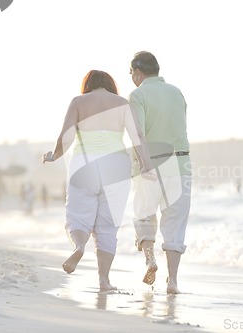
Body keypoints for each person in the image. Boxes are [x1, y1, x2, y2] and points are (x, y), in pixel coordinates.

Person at [43, 70, 155, 291]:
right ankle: (104, 280)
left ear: (88, 84)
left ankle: (79, 246)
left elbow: (66, 135)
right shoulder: (122, 103)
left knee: (77, 215)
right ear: (110, 84)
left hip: (84, 165)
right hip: (116, 166)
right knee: (107, 226)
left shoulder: (78, 102)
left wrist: (54, 155)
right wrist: (146, 164)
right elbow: (137, 136)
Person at [129, 51, 192, 294]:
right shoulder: (177, 93)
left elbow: (138, 133)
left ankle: (149, 260)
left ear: (137, 71)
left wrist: (144, 162)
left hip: (151, 163)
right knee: (175, 223)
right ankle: (173, 281)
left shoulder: (137, 95)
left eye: (131, 73)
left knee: (144, 215)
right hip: (181, 165)